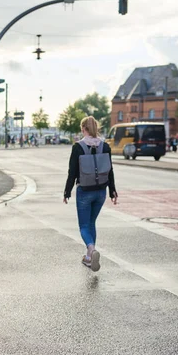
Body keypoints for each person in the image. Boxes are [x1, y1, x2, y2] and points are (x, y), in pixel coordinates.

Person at [64, 116, 118, 272]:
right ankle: (89, 258)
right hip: (101, 191)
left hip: (85, 191)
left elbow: (72, 172)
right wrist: (112, 190)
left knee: (84, 225)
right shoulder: (105, 146)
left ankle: (91, 250)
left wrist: (67, 191)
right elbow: (110, 170)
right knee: (91, 222)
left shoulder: (78, 147)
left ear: (83, 129)